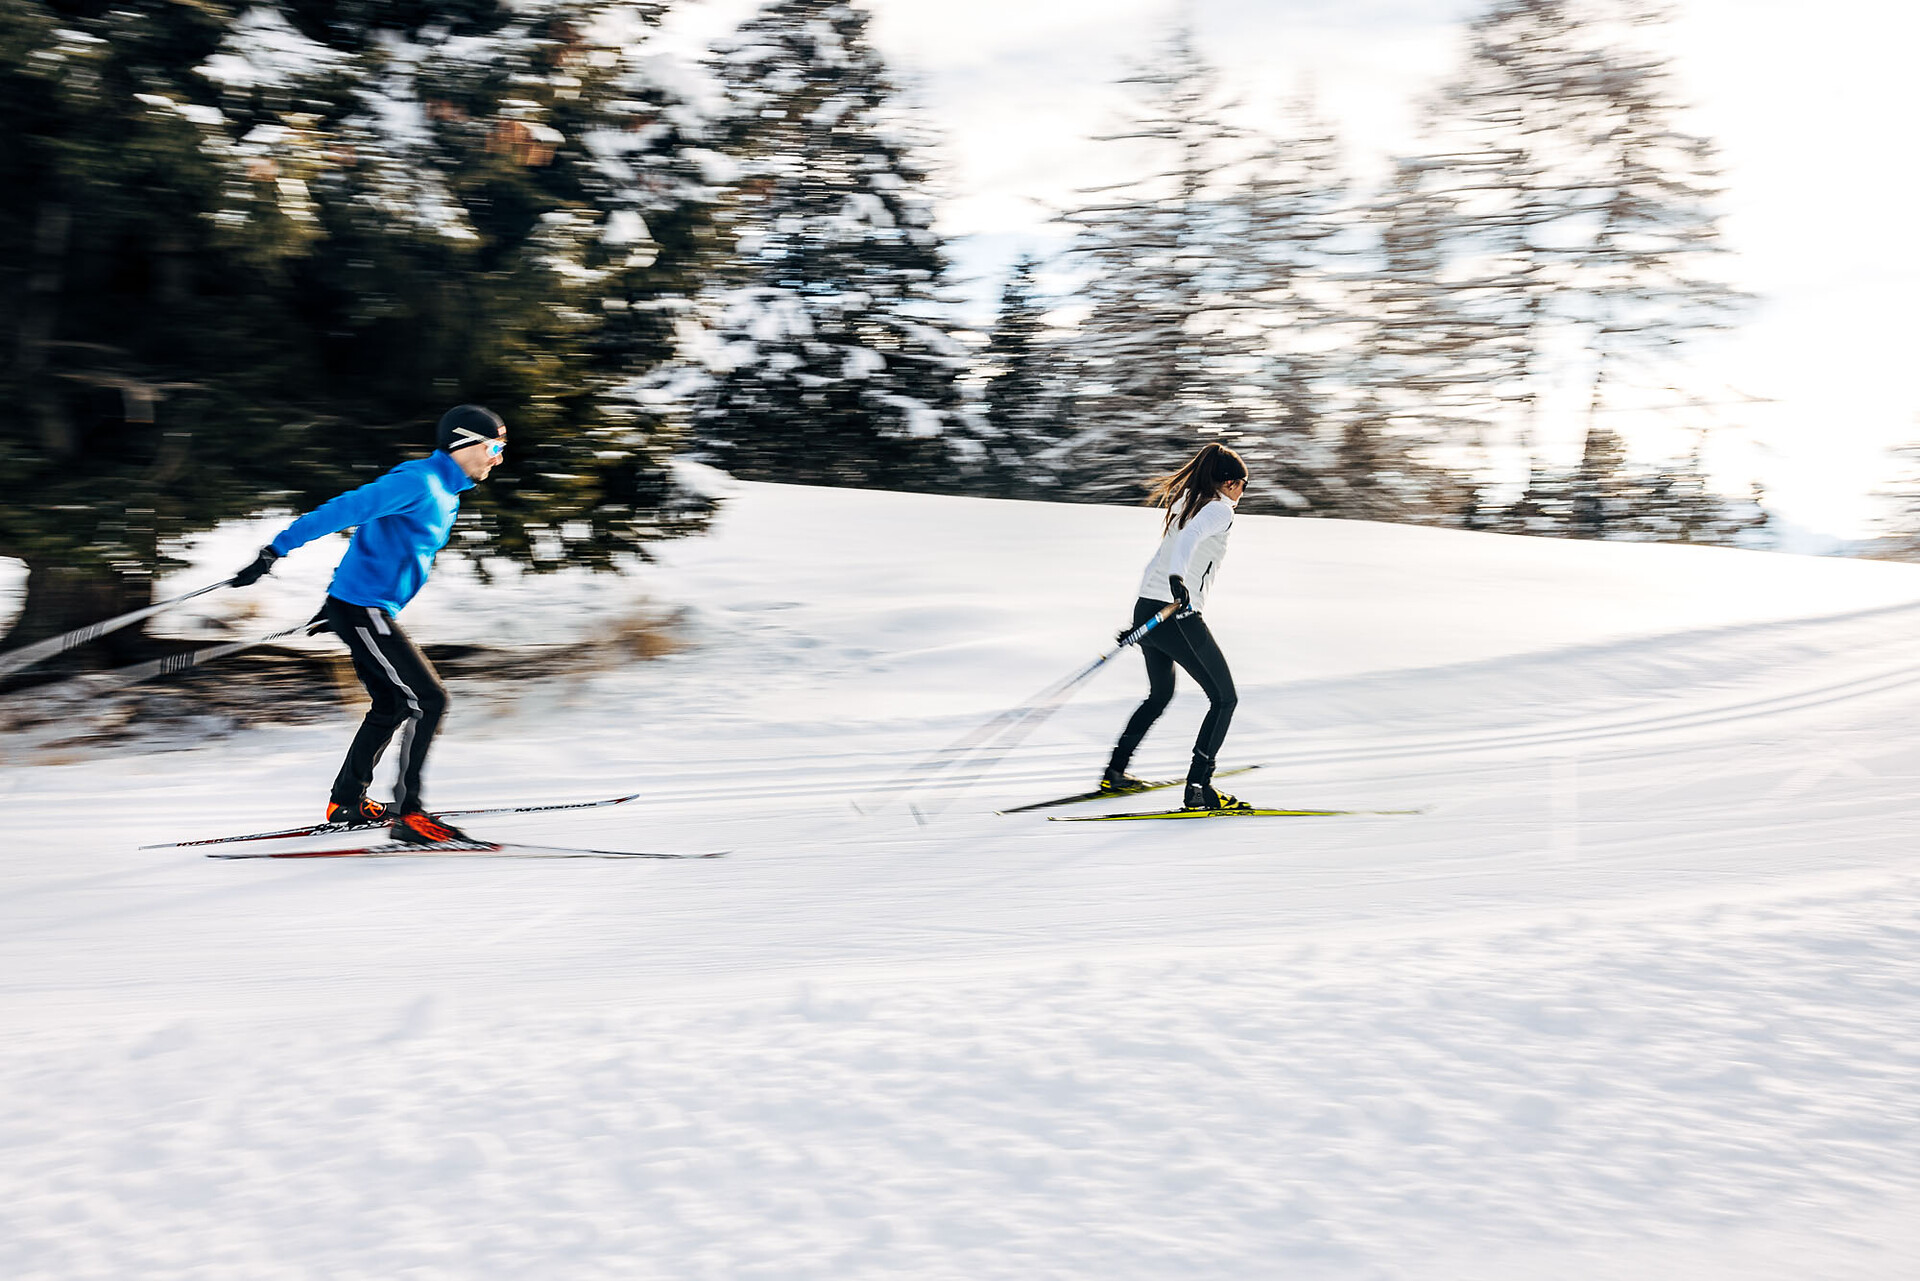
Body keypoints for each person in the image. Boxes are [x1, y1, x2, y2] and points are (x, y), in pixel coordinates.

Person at [229, 405, 507, 844]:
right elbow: (347, 510)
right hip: (364, 610)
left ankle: (347, 802)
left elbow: (374, 541)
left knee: (393, 703)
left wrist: (336, 600)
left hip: (363, 608)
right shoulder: (417, 481)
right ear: (463, 442)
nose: (498, 458)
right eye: (493, 446)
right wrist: (275, 550)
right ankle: (410, 816)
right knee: (429, 699)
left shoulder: (446, 492)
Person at [1101, 441, 1252, 812]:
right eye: (1244, 484)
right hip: (1178, 612)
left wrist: (1141, 620)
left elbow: (1166, 549)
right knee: (1224, 699)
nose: (1244, 493)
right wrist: (1177, 579)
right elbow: (1186, 543)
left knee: (1160, 694)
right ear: (1229, 483)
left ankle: (1115, 772)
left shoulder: (1187, 501)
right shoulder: (1219, 510)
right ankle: (1199, 787)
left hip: (1150, 610)